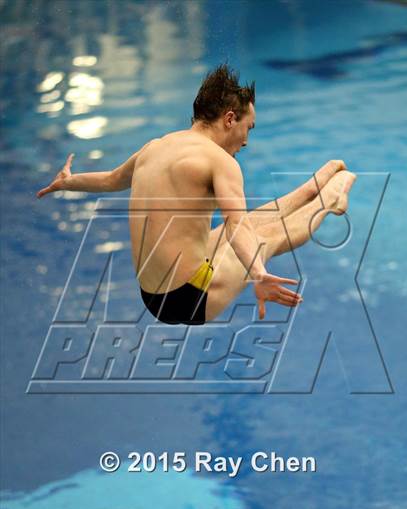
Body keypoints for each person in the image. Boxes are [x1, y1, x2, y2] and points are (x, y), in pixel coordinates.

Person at [37, 64, 356, 325]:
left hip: (152, 294)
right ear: (230, 119)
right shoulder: (220, 162)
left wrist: (69, 181)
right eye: (249, 127)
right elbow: (237, 228)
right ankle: (328, 202)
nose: (245, 141)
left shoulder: (154, 147)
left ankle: (313, 188)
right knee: (265, 237)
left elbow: (110, 180)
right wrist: (257, 274)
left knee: (255, 220)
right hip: (188, 298)